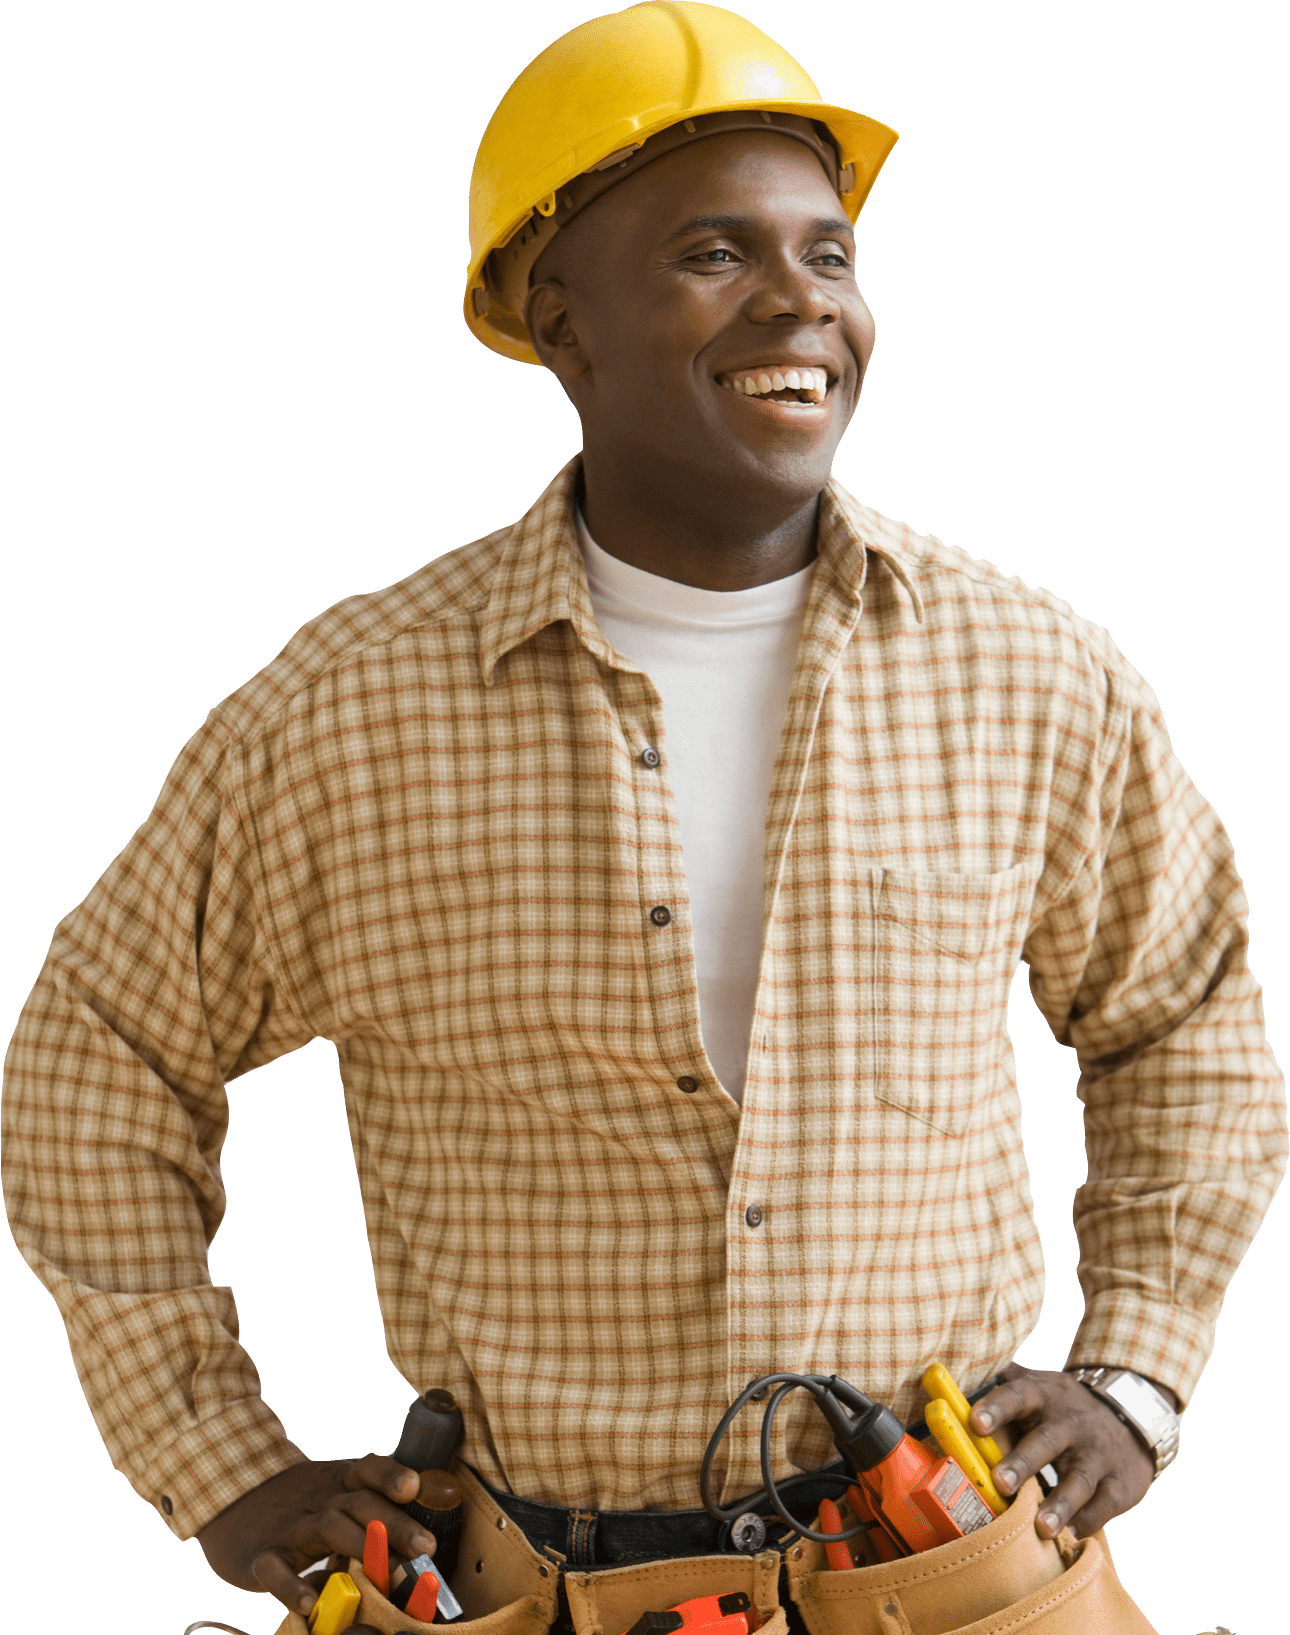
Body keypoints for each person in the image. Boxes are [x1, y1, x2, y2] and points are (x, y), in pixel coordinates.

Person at [3, 4, 1284, 1630]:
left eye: (828, 254)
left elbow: (1182, 1015)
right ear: (560, 324)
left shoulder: (1027, 673)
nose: (799, 301)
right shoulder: (345, 714)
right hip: (520, 1592)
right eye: (712, 252)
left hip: (960, 1572)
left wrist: (1138, 1371)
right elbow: (99, 1050)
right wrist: (212, 1454)